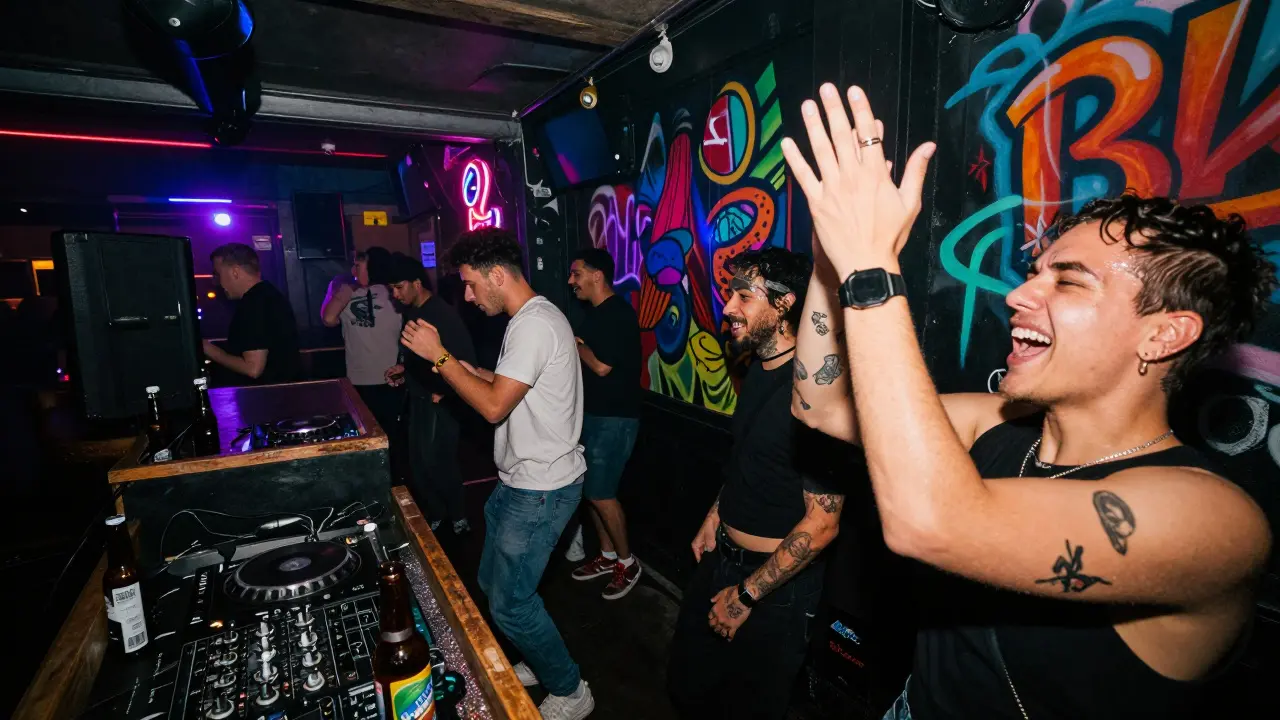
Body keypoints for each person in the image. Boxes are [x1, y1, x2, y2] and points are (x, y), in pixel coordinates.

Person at [781, 83, 1276, 719]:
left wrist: (871, 269)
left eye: (1067, 280)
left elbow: (931, 521)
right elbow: (818, 408)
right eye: (1034, 270)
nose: (1019, 295)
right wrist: (831, 262)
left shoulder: (1213, 519)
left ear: (1164, 333)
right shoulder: (999, 426)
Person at [400, 228, 593, 720]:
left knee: (511, 604)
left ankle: (571, 690)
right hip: (522, 483)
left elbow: (491, 408)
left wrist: (439, 357)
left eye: (469, 284)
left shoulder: (531, 325)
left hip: (540, 489)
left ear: (497, 276)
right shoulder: (535, 317)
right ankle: (538, 656)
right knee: (491, 582)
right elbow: (507, 386)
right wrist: (463, 368)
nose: (465, 295)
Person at [666, 247, 852, 720]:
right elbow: (749, 458)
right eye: (732, 295)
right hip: (724, 560)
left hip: (776, 589)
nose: (728, 308)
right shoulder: (757, 370)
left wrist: (747, 596)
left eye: (744, 297)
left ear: (785, 303)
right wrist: (715, 514)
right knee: (689, 686)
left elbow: (824, 524)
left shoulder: (813, 395)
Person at [564, 248, 644, 599]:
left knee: (601, 492)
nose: (571, 281)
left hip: (615, 419)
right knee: (591, 490)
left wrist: (573, 344)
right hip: (594, 415)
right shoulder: (594, 314)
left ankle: (628, 562)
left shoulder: (617, 314)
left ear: (598, 276)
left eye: (576, 273)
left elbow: (601, 366)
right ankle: (608, 555)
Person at [384, 253, 476, 535]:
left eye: (399, 287)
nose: (395, 294)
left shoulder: (442, 314)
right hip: (420, 398)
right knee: (420, 463)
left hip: (442, 401)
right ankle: (437, 513)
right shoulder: (412, 311)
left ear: (416, 283)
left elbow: (466, 361)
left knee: (440, 462)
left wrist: (445, 393)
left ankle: (459, 517)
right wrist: (403, 369)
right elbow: (417, 357)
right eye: (391, 290)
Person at [320, 247, 402, 435]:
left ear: (372, 267)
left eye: (358, 266)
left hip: (383, 379)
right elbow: (328, 319)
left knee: (381, 436)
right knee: (377, 435)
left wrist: (336, 289)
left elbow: (327, 319)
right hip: (371, 380)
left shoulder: (390, 292)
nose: (353, 271)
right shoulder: (351, 293)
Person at [205, 243, 300, 385]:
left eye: (218, 274)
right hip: (281, 394)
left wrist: (208, 350)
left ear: (235, 272)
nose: (217, 282)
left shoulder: (254, 303)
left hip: (267, 398)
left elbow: (253, 369)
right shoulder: (269, 294)